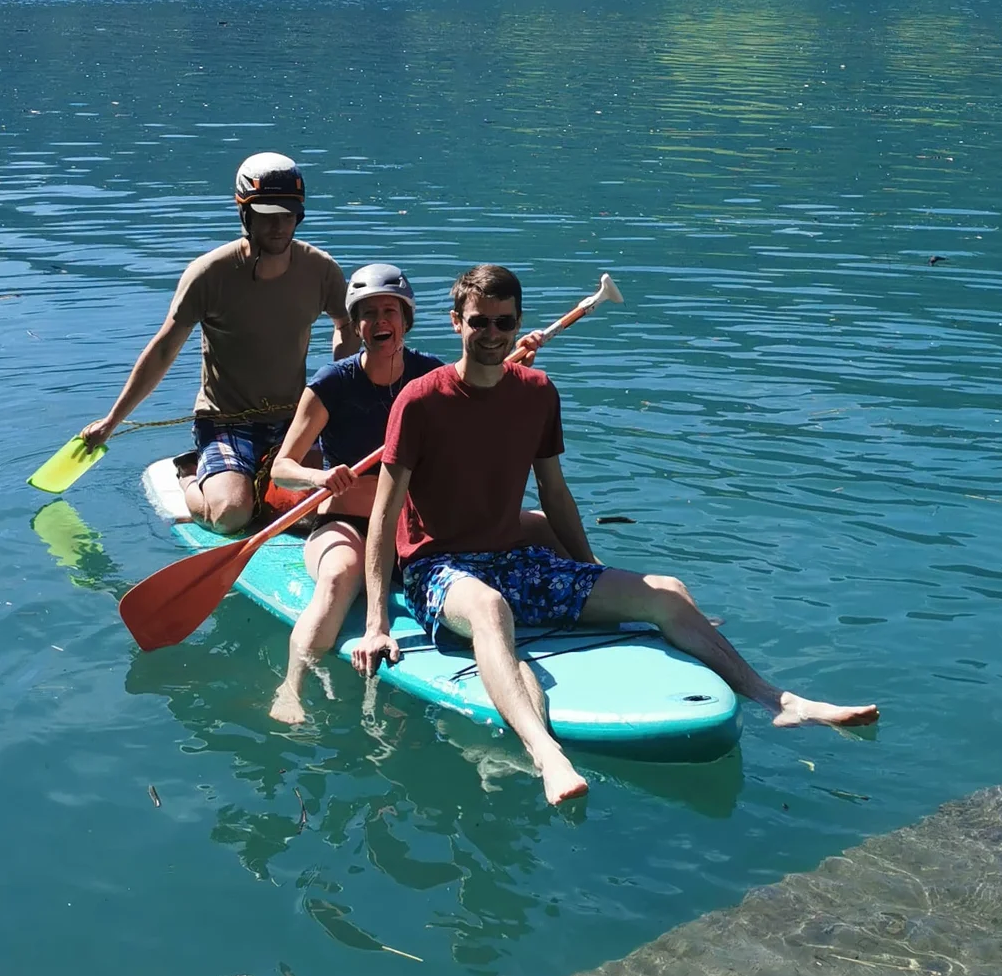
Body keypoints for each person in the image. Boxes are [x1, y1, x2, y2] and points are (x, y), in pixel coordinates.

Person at [355, 264, 878, 807]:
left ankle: (778, 701)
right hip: (438, 567)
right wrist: (376, 624)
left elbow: (555, 493)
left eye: (503, 323)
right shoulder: (420, 400)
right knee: (490, 609)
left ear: (519, 323)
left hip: (513, 559)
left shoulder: (536, 392)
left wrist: (593, 574)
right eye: (478, 322)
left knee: (667, 591)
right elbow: (384, 514)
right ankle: (545, 753)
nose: (492, 335)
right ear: (455, 322)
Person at [265, 264, 573, 726]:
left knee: (545, 527)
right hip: (350, 524)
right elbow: (282, 468)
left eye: (390, 311)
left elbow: (480, 384)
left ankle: (601, 595)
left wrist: (509, 365)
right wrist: (319, 478)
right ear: (356, 325)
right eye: (368, 314)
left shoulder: (430, 374)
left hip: (420, 530)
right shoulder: (332, 384)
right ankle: (292, 687)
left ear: (406, 320)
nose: (380, 321)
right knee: (338, 579)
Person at [79, 152, 352, 532]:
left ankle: (258, 480)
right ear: (245, 214)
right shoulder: (209, 274)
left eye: (287, 215)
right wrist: (112, 421)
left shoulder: (320, 270)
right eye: (266, 215)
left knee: (315, 511)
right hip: (226, 420)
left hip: (294, 419)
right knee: (230, 515)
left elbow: (346, 325)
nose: (278, 226)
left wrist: (338, 395)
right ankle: (190, 474)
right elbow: (164, 349)